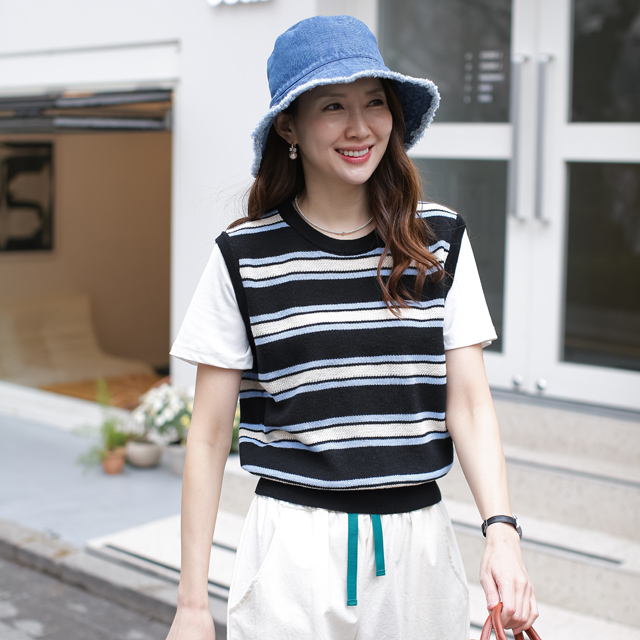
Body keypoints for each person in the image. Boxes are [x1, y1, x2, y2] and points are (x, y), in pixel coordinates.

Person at [166, 14, 538, 640]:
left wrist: (502, 533)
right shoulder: (244, 255)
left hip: (419, 548)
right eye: (333, 106)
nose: (360, 127)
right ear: (289, 125)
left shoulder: (439, 240)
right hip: (292, 550)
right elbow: (206, 437)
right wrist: (192, 604)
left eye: (375, 102)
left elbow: (471, 405)